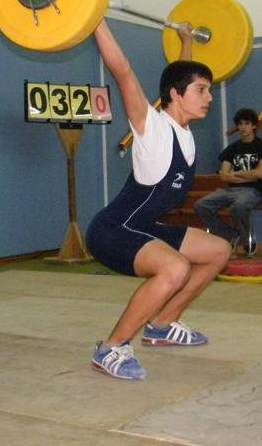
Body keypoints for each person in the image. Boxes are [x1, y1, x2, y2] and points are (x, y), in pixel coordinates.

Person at [86, 19, 232, 381]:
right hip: (111, 232)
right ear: (175, 95)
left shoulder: (184, 132)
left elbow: (178, 76)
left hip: (141, 227)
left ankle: (162, 325)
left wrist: (186, 41)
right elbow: (123, 71)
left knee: (218, 250)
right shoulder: (152, 128)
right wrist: (94, 19)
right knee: (175, 268)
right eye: (202, 90)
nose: (209, 97)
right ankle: (111, 348)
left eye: (209, 90)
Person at [193, 108, 262, 257]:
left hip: (252, 191)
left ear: (254, 125)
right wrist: (248, 175)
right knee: (200, 205)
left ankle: (247, 240)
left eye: (247, 123)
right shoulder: (232, 148)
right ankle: (229, 234)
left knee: (239, 206)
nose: (243, 127)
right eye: (240, 124)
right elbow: (224, 176)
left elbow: (260, 173)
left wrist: (236, 173)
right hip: (230, 191)